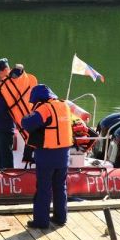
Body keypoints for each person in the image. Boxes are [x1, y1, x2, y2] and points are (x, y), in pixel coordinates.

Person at [21, 84, 74, 229]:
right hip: (64, 154)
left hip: (47, 155)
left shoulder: (45, 108)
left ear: (38, 99)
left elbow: (27, 123)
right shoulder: (64, 105)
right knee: (60, 187)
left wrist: (29, 115)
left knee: (43, 188)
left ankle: (41, 221)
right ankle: (60, 218)